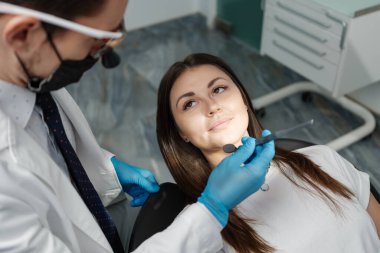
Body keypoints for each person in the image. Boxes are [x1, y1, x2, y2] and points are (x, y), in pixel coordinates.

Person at [0, 1, 275, 253]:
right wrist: (211, 210)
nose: (107, 53)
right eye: (97, 40)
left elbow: (48, 149)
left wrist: (105, 172)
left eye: (219, 89)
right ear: (23, 35)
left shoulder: (32, 70)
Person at [156, 53, 380, 253]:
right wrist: (214, 206)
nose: (212, 106)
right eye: (190, 104)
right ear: (181, 132)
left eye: (219, 89)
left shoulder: (321, 158)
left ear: (243, 99)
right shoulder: (201, 230)